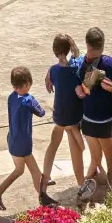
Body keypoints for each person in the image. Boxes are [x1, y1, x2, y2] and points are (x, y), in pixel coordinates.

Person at [0, 67, 48, 210]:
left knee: (19, 170)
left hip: (12, 139)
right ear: (27, 84)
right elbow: (42, 112)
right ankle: (44, 199)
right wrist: (33, 99)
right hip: (23, 142)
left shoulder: (11, 97)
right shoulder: (28, 100)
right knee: (34, 171)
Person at [75, 26, 112, 200]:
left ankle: (86, 187)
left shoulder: (81, 65)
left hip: (87, 119)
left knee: (95, 157)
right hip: (104, 119)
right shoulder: (109, 64)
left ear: (87, 44)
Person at [40, 35, 86, 197]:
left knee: (53, 146)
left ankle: (44, 179)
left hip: (59, 115)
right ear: (69, 49)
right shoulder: (76, 68)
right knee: (77, 152)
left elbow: (54, 74)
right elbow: (78, 55)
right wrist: (73, 45)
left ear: (54, 51)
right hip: (74, 115)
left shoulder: (53, 70)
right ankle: (81, 184)